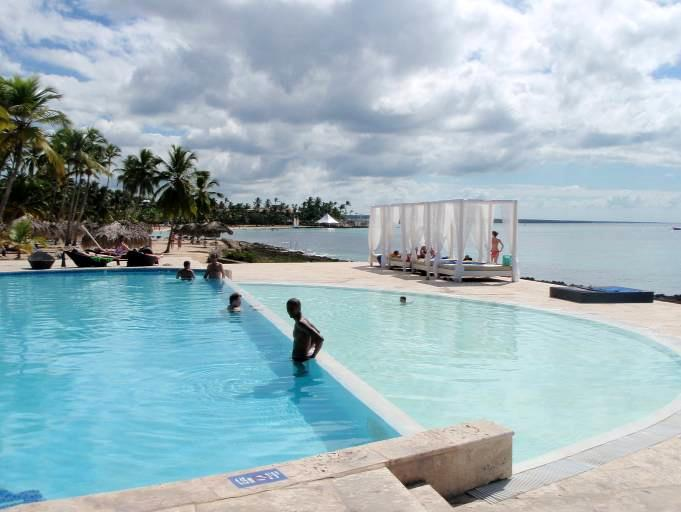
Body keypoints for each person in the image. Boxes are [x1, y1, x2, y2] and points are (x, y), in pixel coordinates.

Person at [287, 298, 324, 362]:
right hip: (300, 358)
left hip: (299, 360)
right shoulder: (303, 319)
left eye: (292, 309)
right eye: (288, 308)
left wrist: (313, 355)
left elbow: (320, 339)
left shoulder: (300, 323)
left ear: (299, 309)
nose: (289, 311)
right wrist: (308, 349)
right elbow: (317, 331)